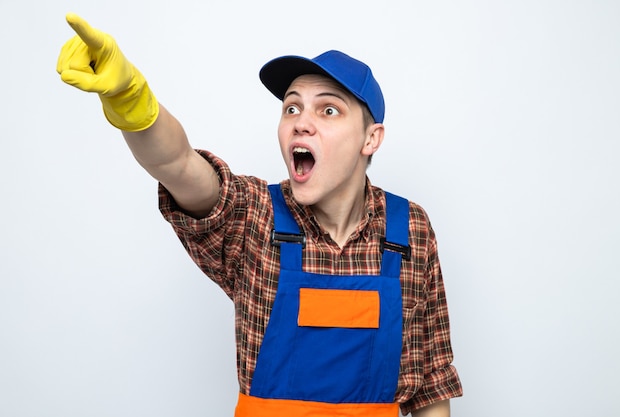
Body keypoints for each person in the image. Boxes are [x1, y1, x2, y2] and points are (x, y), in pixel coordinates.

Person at [57, 13, 463, 417]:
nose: (301, 122)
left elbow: (431, 385)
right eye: (291, 108)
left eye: (328, 111)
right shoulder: (255, 217)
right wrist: (130, 98)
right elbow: (178, 164)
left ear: (371, 138)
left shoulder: (410, 228)